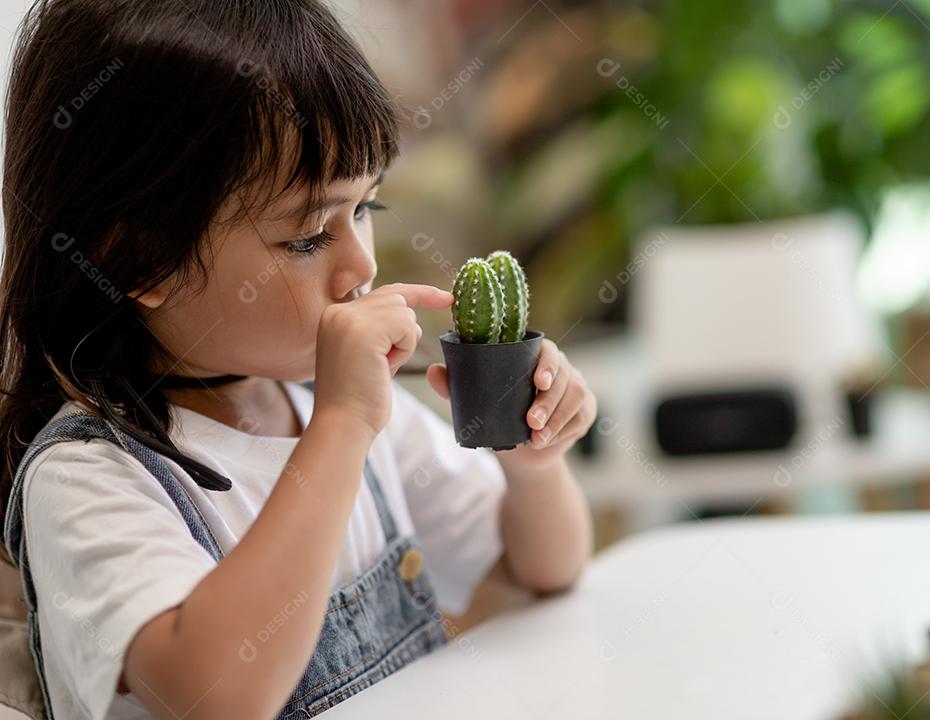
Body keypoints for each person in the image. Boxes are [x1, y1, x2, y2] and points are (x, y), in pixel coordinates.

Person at [0, 1, 596, 718]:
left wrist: (532, 466)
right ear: (139, 259)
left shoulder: (353, 416)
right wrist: (340, 428)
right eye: (309, 236)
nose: (362, 266)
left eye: (366, 209)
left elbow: (542, 570)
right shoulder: (87, 480)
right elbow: (217, 695)